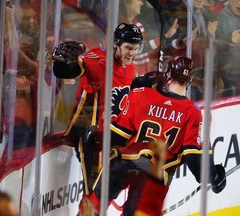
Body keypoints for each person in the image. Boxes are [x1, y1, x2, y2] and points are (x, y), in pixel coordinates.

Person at [87, 56, 226, 215]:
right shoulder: (193, 112)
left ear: (167, 75)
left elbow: (117, 136)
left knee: (94, 205)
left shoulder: (141, 94)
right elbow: (194, 158)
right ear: (189, 81)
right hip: (155, 175)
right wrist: (213, 177)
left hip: (124, 163)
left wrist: (96, 138)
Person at [52, 23, 144, 195]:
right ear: (116, 44)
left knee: (107, 195)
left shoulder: (129, 65)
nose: (132, 53)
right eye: (128, 47)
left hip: (115, 140)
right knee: (94, 195)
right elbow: (66, 72)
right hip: (94, 140)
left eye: (136, 48)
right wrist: (60, 62)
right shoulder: (99, 60)